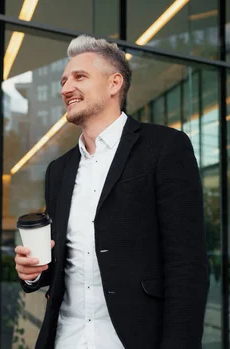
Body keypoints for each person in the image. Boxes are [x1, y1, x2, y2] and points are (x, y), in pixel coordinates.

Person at [15, 35, 209, 349]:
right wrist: (33, 274)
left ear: (114, 83)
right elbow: (66, 265)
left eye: (79, 77)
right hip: (67, 339)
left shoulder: (164, 147)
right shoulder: (58, 171)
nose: (66, 88)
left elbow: (187, 265)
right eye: (64, 80)